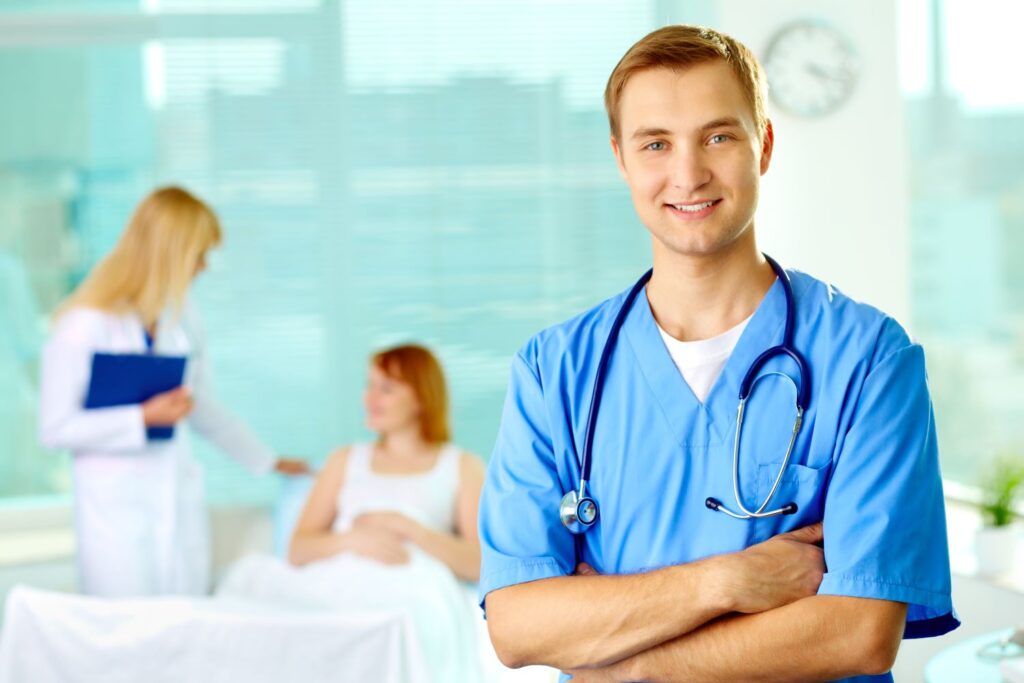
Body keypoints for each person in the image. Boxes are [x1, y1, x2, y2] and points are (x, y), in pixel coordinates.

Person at [478, 25, 958, 683]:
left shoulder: (869, 359)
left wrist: (626, 666)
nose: (688, 173)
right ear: (621, 159)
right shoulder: (554, 370)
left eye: (718, 136)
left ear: (762, 144)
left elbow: (861, 630)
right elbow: (517, 624)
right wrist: (728, 580)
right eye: (656, 143)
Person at [38, 186, 308, 598]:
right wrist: (142, 418)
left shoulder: (181, 317)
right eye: (199, 255)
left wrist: (268, 460)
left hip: (174, 493)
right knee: (128, 630)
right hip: (115, 509)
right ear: (171, 252)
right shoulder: (84, 325)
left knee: (184, 625)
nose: (203, 267)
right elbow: (54, 429)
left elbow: (201, 407)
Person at [216, 344, 487, 682]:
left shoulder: (460, 466)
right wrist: (354, 540)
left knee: (404, 622)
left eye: (386, 389)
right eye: (369, 385)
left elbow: (480, 563)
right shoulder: (345, 460)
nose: (370, 398)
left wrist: (409, 529)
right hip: (338, 580)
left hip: (413, 587)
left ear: (420, 397)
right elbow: (298, 549)